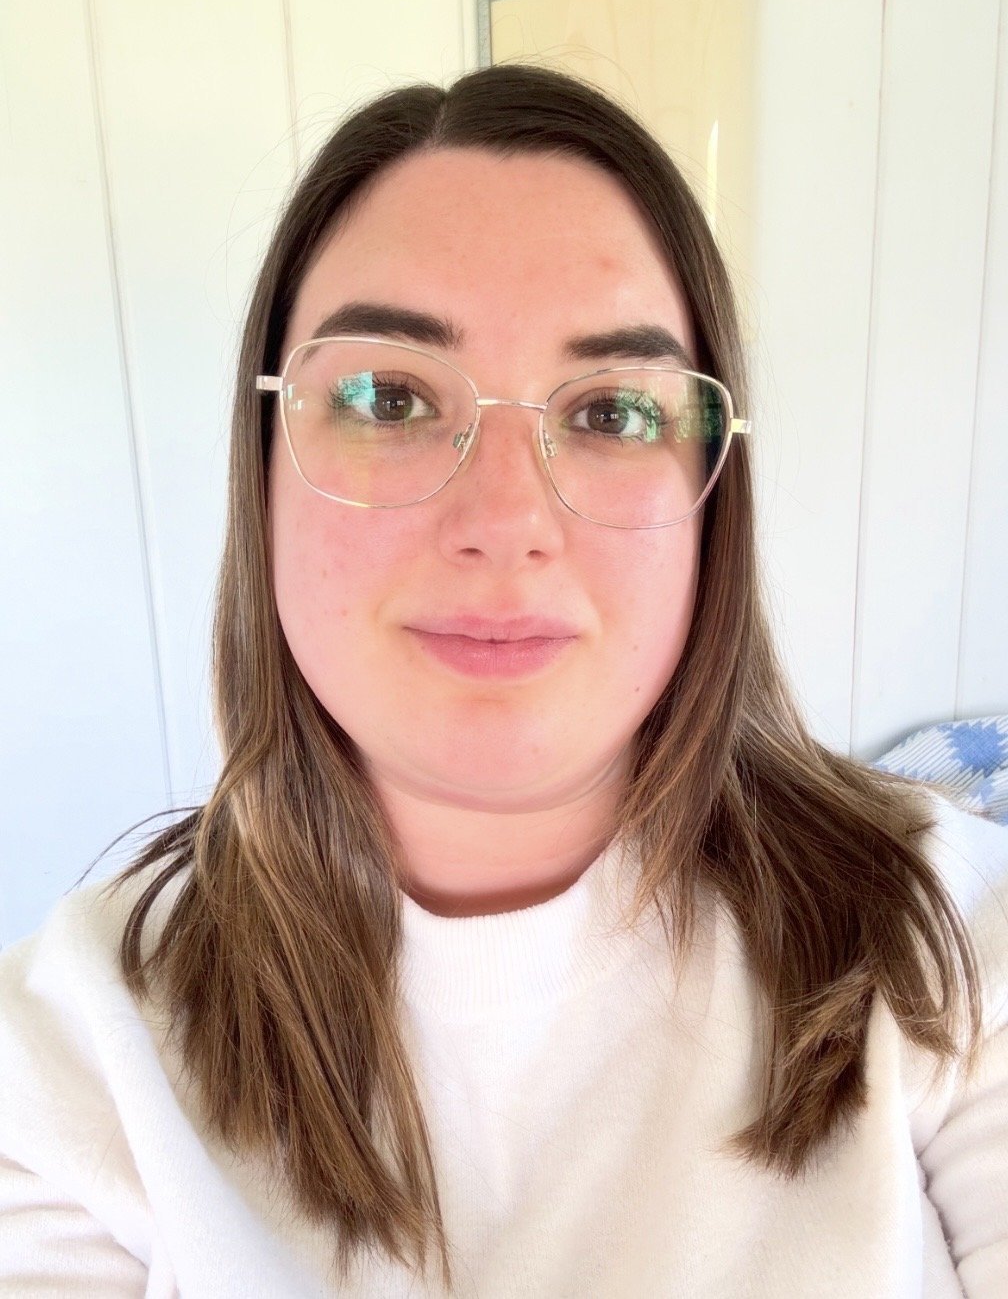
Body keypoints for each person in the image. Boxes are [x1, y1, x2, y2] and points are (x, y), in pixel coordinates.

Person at [0, 64, 1005, 1298]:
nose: (505, 521)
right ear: (262, 465)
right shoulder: (71, 1058)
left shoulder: (956, 941)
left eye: (614, 414)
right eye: (387, 396)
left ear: (715, 501)